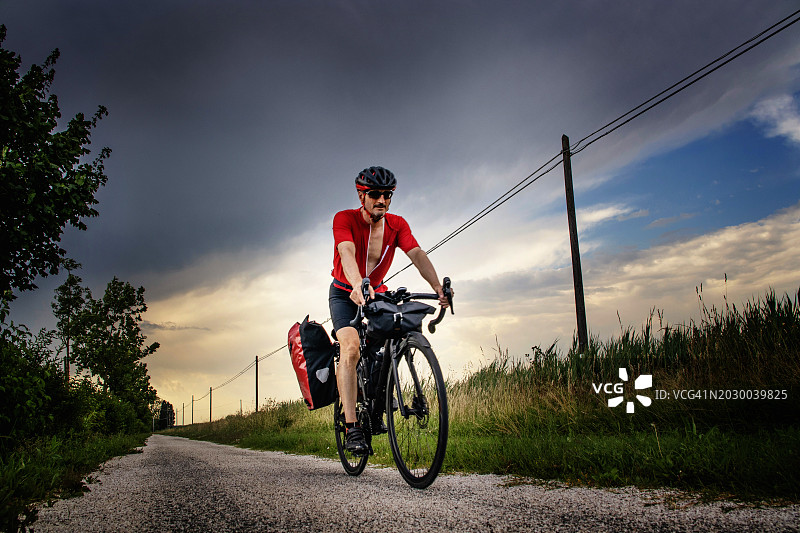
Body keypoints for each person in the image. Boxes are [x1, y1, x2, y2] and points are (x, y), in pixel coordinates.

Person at [329, 165, 449, 455]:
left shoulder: (397, 224)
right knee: (351, 347)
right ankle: (352, 427)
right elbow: (346, 251)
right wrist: (357, 284)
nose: (381, 200)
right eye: (374, 194)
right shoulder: (344, 219)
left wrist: (437, 287)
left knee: (392, 334)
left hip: (377, 291)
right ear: (362, 196)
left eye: (387, 195)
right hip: (345, 294)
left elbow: (417, 253)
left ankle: (379, 398)